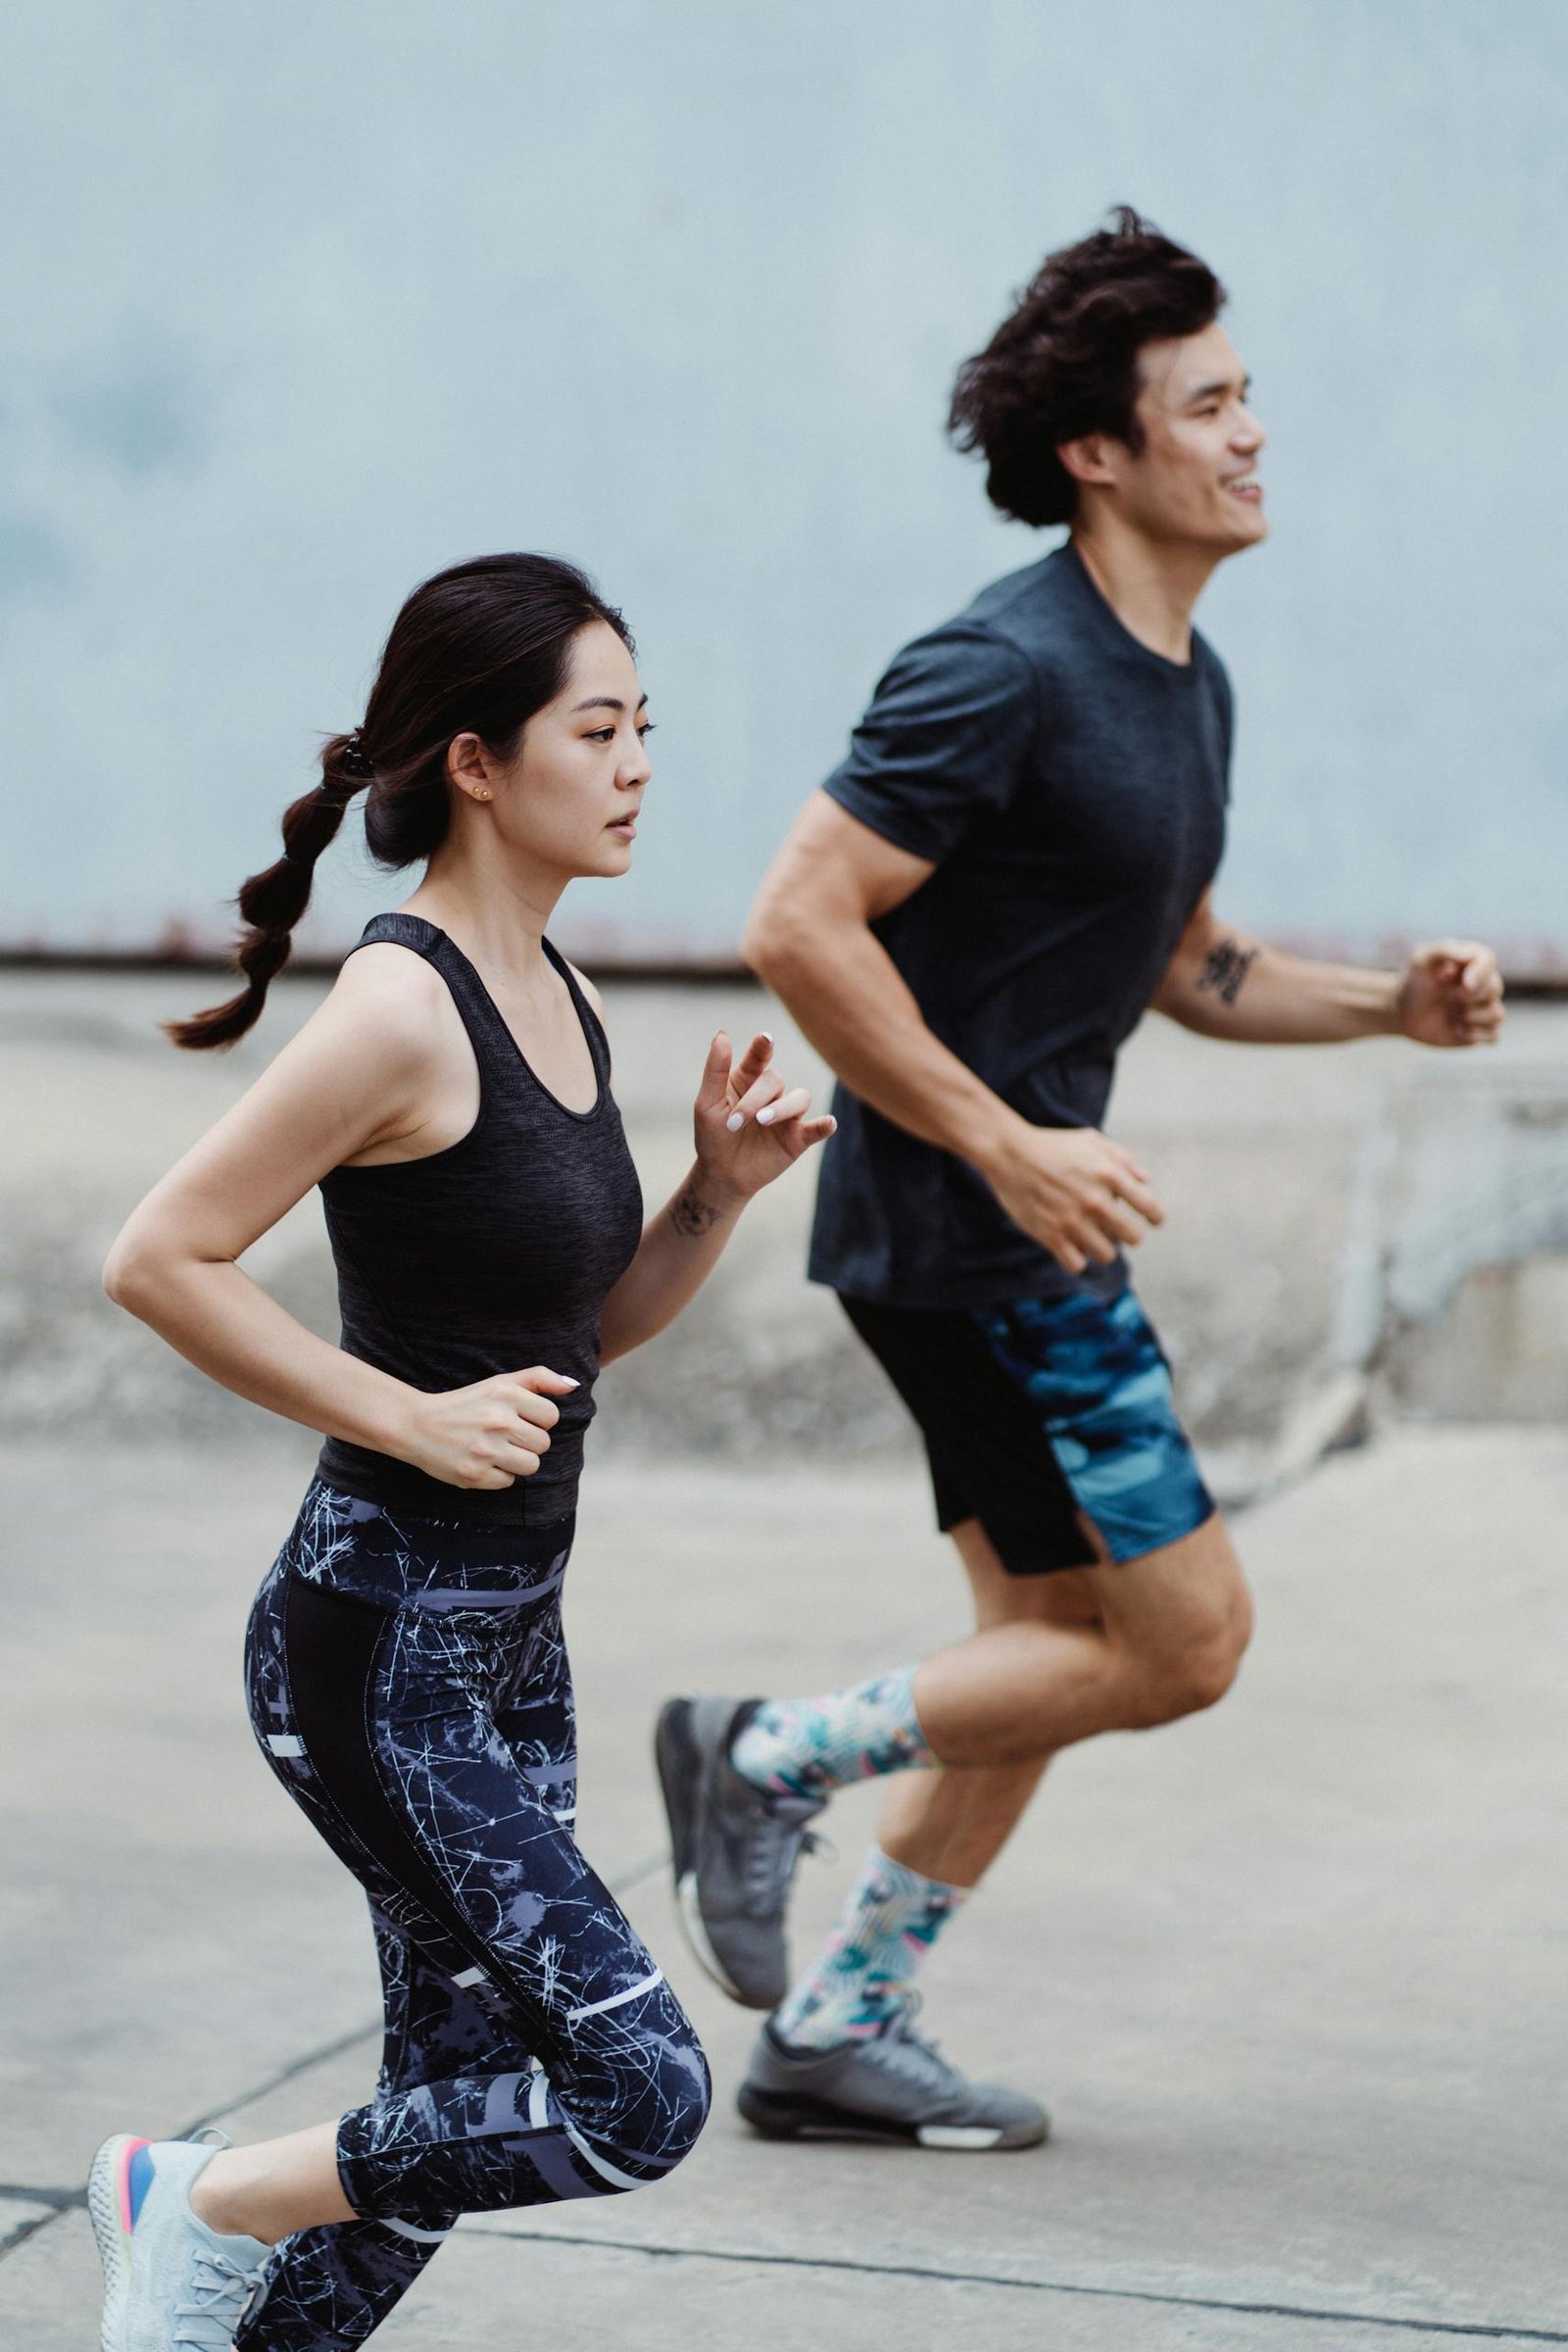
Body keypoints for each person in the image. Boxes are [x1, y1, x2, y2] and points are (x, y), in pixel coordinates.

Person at [656, 210, 1505, 2151]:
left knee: (1034, 1655)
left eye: (1245, 393)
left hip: (993, 1225)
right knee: (1180, 1643)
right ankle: (758, 1754)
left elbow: (1186, 966)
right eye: (1209, 403)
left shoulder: (1175, 683)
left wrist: (1395, 1007)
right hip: (981, 1242)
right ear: (1096, 455)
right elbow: (796, 921)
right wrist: (1002, 1139)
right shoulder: (996, 667)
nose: (1253, 432)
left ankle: (834, 2028)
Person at [88, 554, 832, 2351]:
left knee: (451, 2123)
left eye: (649, 725)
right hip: (375, 1647)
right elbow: (157, 1256)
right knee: (635, 2092)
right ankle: (189, 2195)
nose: (642, 762)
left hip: (509, 1644)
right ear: (482, 763)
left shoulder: (556, 992)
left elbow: (582, 1343)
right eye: (601, 728)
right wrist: (404, 1415)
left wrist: (711, 1203)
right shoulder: (400, 1008)